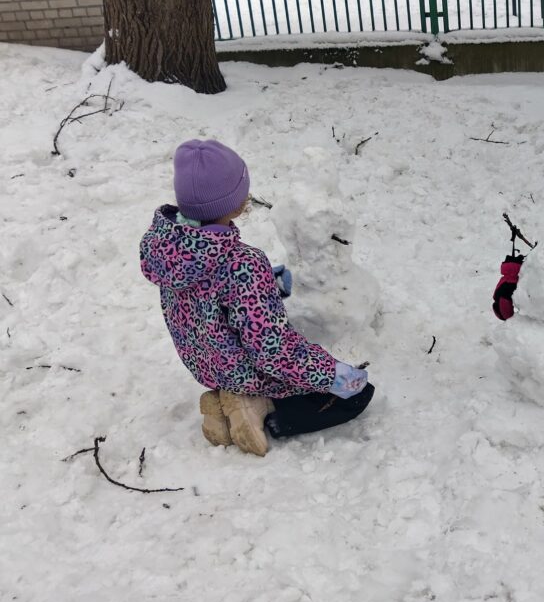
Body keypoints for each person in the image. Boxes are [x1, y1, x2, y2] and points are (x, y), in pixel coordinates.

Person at [140, 139, 374, 455]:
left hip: (203, 363)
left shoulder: (168, 247)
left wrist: (265, 286)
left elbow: (207, 297)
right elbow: (273, 351)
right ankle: (258, 406)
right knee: (357, 396)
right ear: (235, 203)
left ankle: (225, 405)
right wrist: (334, 375)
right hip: (246, 372)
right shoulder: (243, 264)